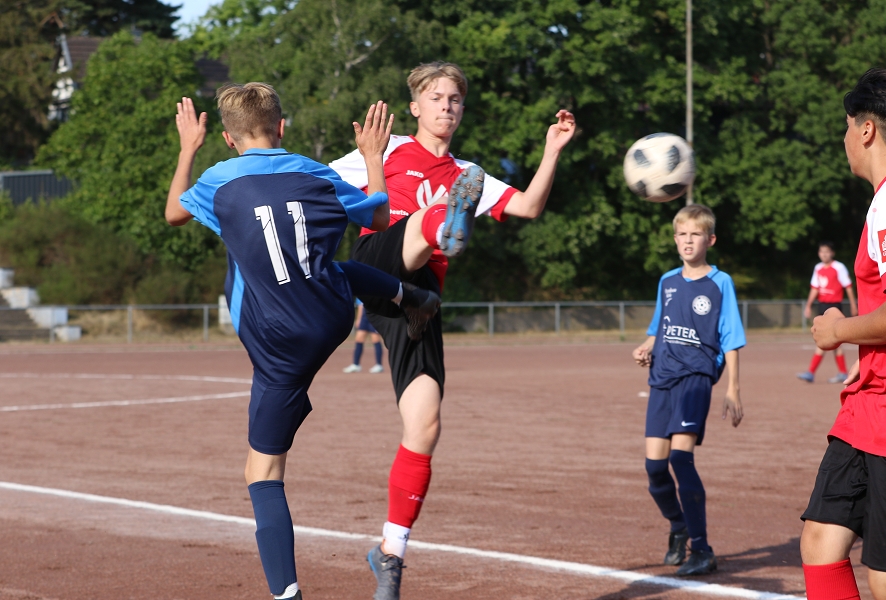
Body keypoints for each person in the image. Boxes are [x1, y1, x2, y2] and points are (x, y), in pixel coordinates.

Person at [163, 83, 439, 600]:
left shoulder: (219, 180)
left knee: (262, 471)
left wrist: (187, 149)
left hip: (280, 341)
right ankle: (410, 296)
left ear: (226, 137)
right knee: (328, 265)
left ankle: (286, 595)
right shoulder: (316, 172)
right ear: (282, 127)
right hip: (333, 313)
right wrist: (373, 157)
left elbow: (174, 214)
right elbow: (379, 219)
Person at [328, 61, 576, 599]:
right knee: (422, 222)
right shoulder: (386, 148)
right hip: (377, 261)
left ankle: (390, 554)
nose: (447, 106)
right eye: (437, 97)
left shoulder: (467, 170)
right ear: (415, 107)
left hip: (416, 304)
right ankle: (447, 225)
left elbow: (530, 206)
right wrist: (370, 161)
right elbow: (317, 187)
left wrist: (553, 148)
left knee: (425, 425)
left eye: (456, 100)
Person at [803, 68, 886, 600]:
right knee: (821, 541)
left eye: (845, 126)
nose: (843, 140)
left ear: (865, 130)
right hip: (869, 406)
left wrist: (838, 330)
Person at [631, 204, 745, 577]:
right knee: (654, 469)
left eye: (695, 234)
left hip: (695, 378)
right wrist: (647, 345)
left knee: (681, 460)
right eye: (682, 234)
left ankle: (703, 549)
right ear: (675, 238)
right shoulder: (667, 281)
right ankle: (679, 527)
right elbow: (658, 326)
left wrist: (733, 388)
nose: (687, 240)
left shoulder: (720, 282)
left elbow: (731, 337)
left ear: (709, 239)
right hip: (661, 378)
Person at [797, 242, 858, 384]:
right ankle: (842, 373)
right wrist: (808, 305)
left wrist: (854, 305)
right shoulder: (818, 268)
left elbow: (848, 287)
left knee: (825, 339)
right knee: (832, 341)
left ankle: (811, 372)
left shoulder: (839, 267)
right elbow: (815, 288)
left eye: (827, 251)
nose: (824, 254)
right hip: (822, 305)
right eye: (821, 252)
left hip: (834, 306)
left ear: (832, 253)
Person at [344, 299, 385, 373]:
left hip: (374, 315)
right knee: (359, 339)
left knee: (375, 339)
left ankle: (379, 365)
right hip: (364, 317)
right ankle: (356, 364)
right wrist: (359, 319)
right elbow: (360, 306)